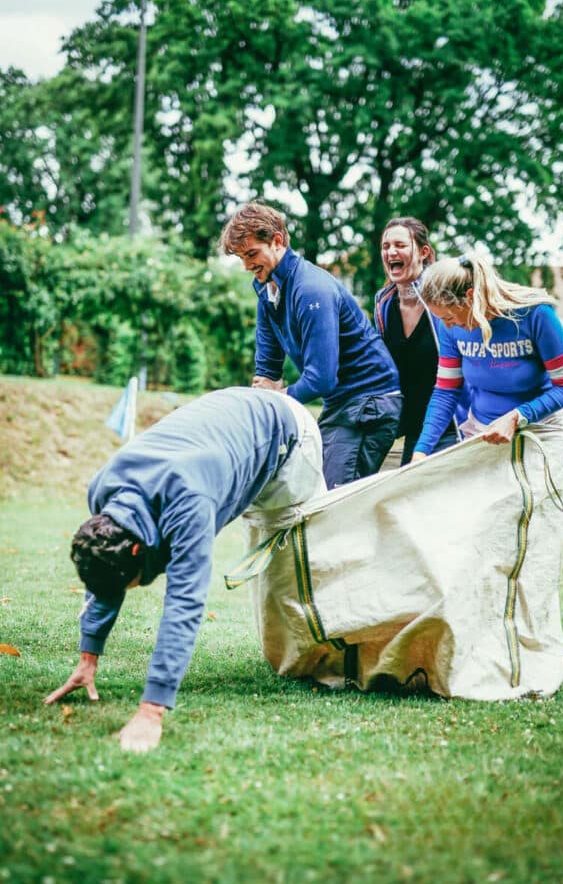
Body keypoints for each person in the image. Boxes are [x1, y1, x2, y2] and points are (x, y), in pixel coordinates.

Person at [44, 387, 326, 753]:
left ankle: (336, 655)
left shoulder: (188, 502)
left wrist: (151, 710)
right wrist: (89, 655)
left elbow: (184, 603)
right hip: (235, 425)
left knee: (303, 554)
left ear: (137, 549)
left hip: (291, 436)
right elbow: (105, 565)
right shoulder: (105, 492)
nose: (126, 590)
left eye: (128, 585)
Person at [220, 203, 402, 488]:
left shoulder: (311, 289)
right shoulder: (267, 288)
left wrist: (278, 396)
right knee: (309, 489)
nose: (246, 266)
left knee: (332, 499)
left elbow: (321, 378)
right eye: (242, 258)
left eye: (252, 254)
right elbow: (267, 367)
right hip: (340, 403)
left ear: (277, 241)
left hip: (369, 402)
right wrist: (265, 393)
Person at [411, 253, 563, 461]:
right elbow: (446, 391)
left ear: (470, 296)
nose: (447, 326)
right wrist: (421, 450)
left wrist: (518, 416)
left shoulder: (536, 315)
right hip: (482, 431)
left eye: (449, 317)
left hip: (539, 429)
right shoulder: (450, 328)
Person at [374, 217, 468, 465]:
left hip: (450, 423)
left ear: (423, 252)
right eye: (385, 246)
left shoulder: (445, 299)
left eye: (400, 245)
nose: (391, 252)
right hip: (412, 425)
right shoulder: (383, 303)